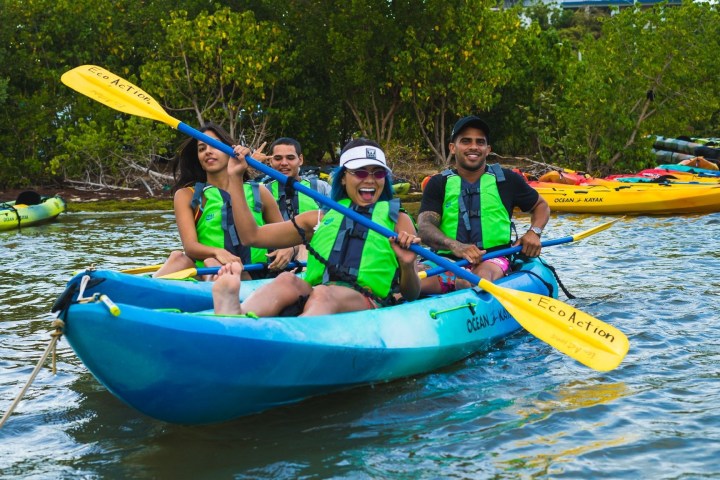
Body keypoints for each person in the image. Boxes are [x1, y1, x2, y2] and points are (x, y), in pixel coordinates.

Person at [212, 138, 421, 317]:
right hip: (319, 295)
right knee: (287, 280)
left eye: (378, 174)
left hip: (367, 301)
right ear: (343, 177)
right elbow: (252, 237)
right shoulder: (320, 218)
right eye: (360, 172)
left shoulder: (399, 221)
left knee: (324, 294)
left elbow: (411, 293)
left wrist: (407, 265)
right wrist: (236, 178)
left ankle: (295, 338)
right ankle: (237, 315)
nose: (370, 180)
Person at [417, 115, 550, 293]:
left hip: (493, 259)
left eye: (480, 142)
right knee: (410, 280)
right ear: (452, 148)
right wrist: (455, 246)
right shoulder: (438, 183)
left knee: (477, 279)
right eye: (465, 141)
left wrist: (534, 232)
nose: (473, 147)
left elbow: (541, 206)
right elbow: (424, 227)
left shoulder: (507, 180)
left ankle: (466, 290)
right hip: (445, 260)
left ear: (488, 149)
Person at [152, 123, 283, 280]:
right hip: (211, 270)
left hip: (256, 274)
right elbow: (191, 247)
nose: (208, 151)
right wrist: (217, 252)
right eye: (201, 149)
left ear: (229, 150)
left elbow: (285, 235)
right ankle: (139, 290)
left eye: (214, 145)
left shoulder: (259, 191)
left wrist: (289, 248)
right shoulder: (187, 195)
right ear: (198, 158)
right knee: (179, 257)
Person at [257, 137, 332, 268]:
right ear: (270, 162)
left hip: (313, 258)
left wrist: (295, 247)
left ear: (300, 160)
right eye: (278, 158)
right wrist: (247, 167)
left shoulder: (320, 188)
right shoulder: (261, 191)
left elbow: (334, 225)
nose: (284, 163)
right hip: (272, 263)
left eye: (290, 158)